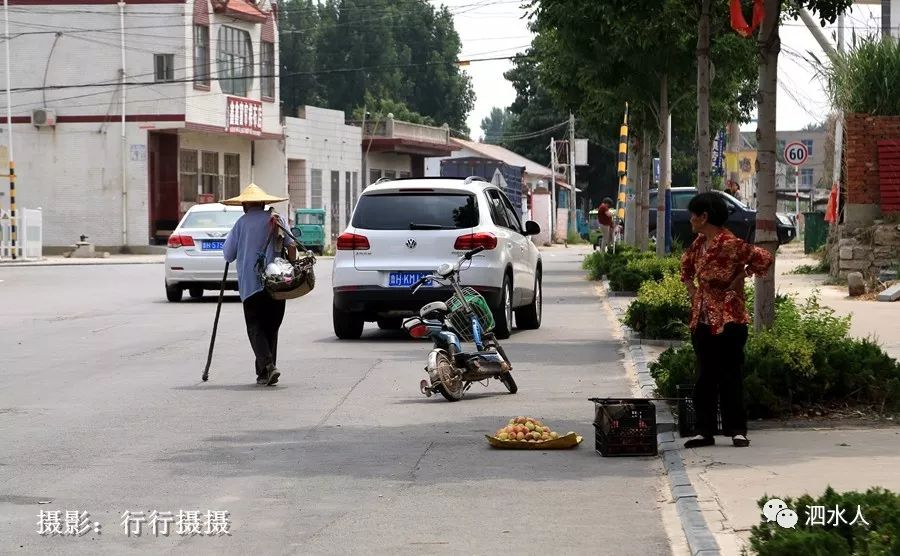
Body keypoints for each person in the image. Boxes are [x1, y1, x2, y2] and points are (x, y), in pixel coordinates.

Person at [679, 192, 773, 448]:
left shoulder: (731, 244)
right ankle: (704, 431)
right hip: (702, 318)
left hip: (730, 316)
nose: (690, 219)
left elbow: (764, 258)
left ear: (704, 217)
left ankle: (737, 430)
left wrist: (743, 275)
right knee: (705, 376)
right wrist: (693, 293)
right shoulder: (698, 244)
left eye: (694, 215)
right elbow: (685, 268)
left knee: (730, 374)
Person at [222, 183, 296, 386]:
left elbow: (228, 255)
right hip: (277, 283)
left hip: (251, 285)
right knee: (271, 328)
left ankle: (268, 366)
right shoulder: (276, 219)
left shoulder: (241, 224)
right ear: (264, 203)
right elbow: (291, 246)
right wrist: (291, 267)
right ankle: (264, 372)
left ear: (245, 205)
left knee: (255, 328)